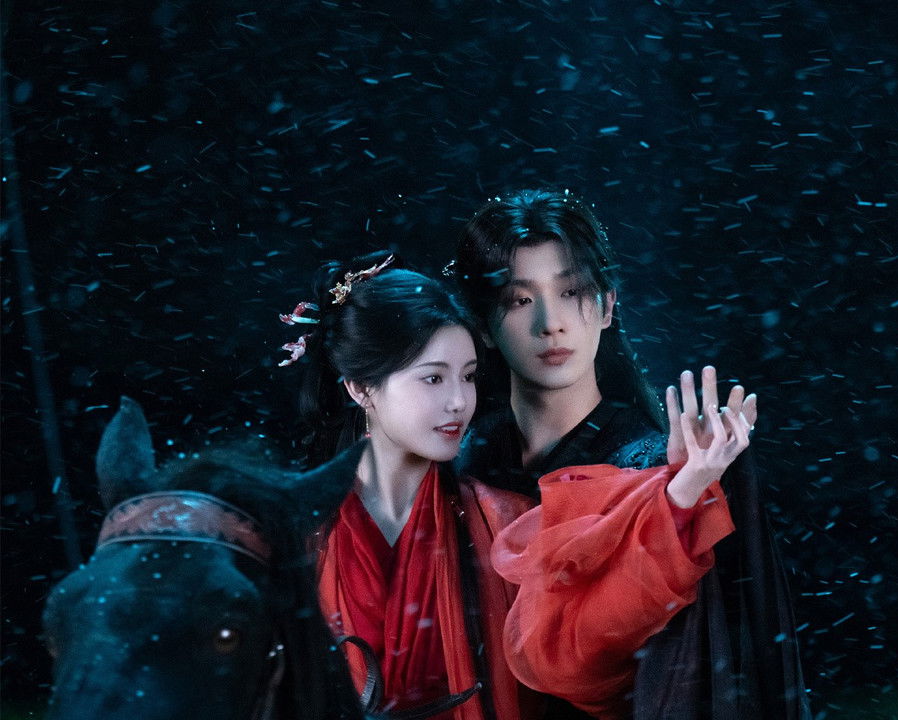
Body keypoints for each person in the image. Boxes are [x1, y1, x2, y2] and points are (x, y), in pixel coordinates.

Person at [279, 250, 747, 720]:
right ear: (360, 388)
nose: (459, 401)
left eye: (467, 376)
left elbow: (574, 651)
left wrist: (684, 490)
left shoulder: (503, 525)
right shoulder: (294, 536)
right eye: (433, 378)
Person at [451, 190, 811, 719]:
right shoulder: (465, 468)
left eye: (571, 291)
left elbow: (685, 678)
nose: (550, 323)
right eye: (519, 300)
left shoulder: (653, 463)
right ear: (483, 324)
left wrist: (680, 496)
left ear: (607, 304)